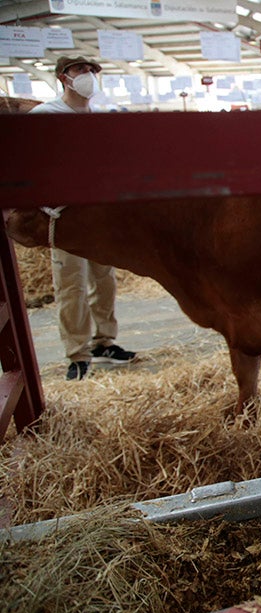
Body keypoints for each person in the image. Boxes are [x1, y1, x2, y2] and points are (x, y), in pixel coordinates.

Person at [31, 56, 136, 380]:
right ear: (64, 77)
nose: (88, 75)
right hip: (64, 216)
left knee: (104, 281)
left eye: (91, 70)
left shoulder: (97, 118)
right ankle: (77, 354)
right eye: (80, 70)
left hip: (98, 215)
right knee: (71, 286)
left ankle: (104, 342)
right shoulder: (45, 116)